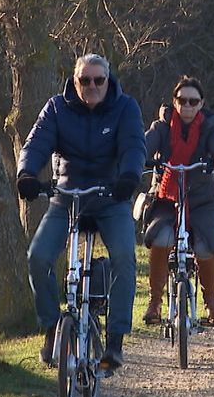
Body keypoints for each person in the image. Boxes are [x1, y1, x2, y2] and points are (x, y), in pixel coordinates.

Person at [17, 53, 146, 374]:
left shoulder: (125, 107)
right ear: (75, 82)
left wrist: (129, 177)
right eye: (85, 80)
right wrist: (27, 174)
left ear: (108, 80)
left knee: (124, 258)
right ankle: (51, 329)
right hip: (66, 196)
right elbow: (36, 143)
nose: (91, 86)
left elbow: (134, 146)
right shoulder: (57, 107)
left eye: (98, 80)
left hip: (110, 197)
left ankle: (115, 340)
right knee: (38, 256)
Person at [141, 76, 214, 327]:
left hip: (201, 200)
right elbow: (144, 145)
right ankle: (155, 302)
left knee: (206, 248)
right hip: (165, 198)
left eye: (193, 101)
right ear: (175, 101)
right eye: (182, 100)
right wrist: (137, 156)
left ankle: (211, 302)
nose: (187, 106)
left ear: (201, 103)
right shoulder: (161, 128)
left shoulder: (208, 128)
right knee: (161, 239)